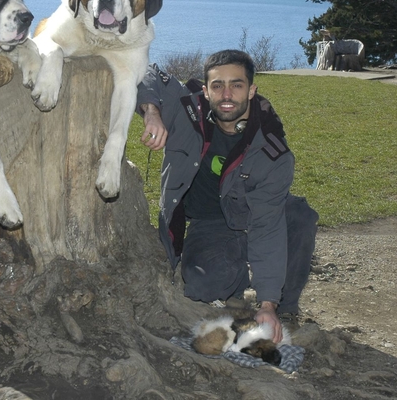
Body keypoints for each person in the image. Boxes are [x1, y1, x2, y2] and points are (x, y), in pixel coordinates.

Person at [136, 49, 318, 343]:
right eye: (217, 85)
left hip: (254, 214)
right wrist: (151, 112)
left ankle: (283, 312)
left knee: (299, 217)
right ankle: (237, 282)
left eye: (237, 84)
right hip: (209, 222)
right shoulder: (187, 112)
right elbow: (146, 71)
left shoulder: (271, 148)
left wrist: (268, 302)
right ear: (206, 91)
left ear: (252, 90)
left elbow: (267, 223)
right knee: (201, 286)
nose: (227, 94)